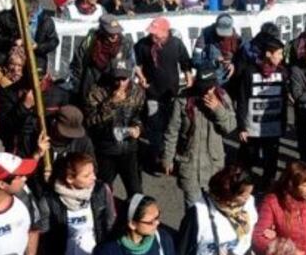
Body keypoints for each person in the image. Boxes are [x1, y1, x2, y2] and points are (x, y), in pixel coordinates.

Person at [163, 65, 238, 208]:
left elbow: (230, 128)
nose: (207, 92)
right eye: (203, 88)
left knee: (214, 209)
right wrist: (168, 158)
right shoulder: (183, 100)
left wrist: (218, 110)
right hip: (189, 164)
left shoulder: (222, 97)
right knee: (194, 211)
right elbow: (172, 130)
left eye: (210, 88)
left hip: (213, 165)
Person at [134, 17, 193, 174]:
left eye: (156, 33)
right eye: (152, 33)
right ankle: (156, 157)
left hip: (172, 93)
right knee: (155, 126)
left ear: (166, 32)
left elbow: (185, 63)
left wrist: (188, 77)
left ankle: (171, 156)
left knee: (173, 126)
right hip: (152, 92)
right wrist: (141, 77)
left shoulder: (176, 44)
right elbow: (136, 64)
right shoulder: (142, 45)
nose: (153, 36)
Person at [85, 59, 145, 198]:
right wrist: (111, 103)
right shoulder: (97, 91)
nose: (120, 83)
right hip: (106, 150)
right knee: (101, 192)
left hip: (129, 149)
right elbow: (90, 122)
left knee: (136, 192)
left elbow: (140, 116)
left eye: (124, 79)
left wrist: (138, 128)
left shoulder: (137, 92)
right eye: (116, 78)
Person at [234, 33, 287, 189]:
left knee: (271, 161)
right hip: (252, 128)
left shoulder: (282, 73)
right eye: (279, 53)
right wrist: (242, 127)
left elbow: (283, 101)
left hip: (273, 127)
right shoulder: (250, 72)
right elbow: (242, 100)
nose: (281, 57)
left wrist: (283, 124)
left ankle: (267, 188)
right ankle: (243, 187)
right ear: (268, 54)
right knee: (248, 159)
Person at [70, 14, 135, 102]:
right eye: (111, 32)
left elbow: (131, 68)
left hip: (114, 87)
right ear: (102, 30)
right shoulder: (90, 41)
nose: (114, 36)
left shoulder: (126, 44)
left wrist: (122, 89)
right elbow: (77, 64)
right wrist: (77, 86)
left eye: (116, 32)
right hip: (91, 84)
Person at [192, 14, 241, 88]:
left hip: (230, 78)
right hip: (209, 79)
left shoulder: (236, 38)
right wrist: (213, 62)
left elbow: (242, 58)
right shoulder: (205, 35)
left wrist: (234, 65)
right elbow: (195, 61)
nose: (223, 37)